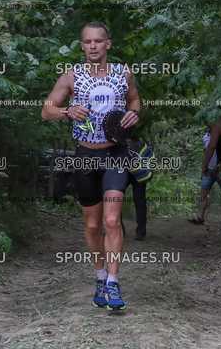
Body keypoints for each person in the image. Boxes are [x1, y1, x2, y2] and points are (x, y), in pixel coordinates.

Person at [41, 22, 140, 311]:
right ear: (82, 45)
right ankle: (99, 277)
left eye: (98, 41)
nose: (93, 46)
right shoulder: (71, 76)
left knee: (112, 220)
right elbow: (46, 110)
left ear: (108, 43)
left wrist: (134, 113)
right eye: (88, 41)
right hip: (85, 155)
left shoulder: (123, 73)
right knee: (93, 224)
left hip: (116, 154)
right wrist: (66, 111)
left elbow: (135, 100)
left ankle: (113, 282)